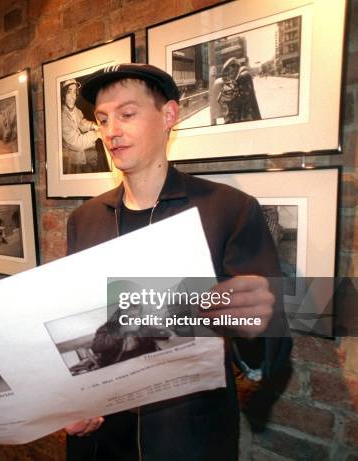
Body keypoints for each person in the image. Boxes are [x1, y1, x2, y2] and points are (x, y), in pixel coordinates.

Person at [63, 63, 290, 460]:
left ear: (168, 115)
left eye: (127, 114)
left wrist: (256, 329)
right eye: (102, 119)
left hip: (186, 437)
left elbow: (269, 349)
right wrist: (70, 403)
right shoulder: (84, 220)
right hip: (101, 439)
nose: (111, 131)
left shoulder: (228, 210)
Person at [61, 78, 104, 174]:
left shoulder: (76, 111)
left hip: (84, 157)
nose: (73, 96)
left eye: (75, 91)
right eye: (69, 92)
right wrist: (96, 134)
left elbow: (82, 123)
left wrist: (93, 125)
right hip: (73, 164)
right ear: (63, 95)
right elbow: (75, 143)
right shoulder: (62, 117)